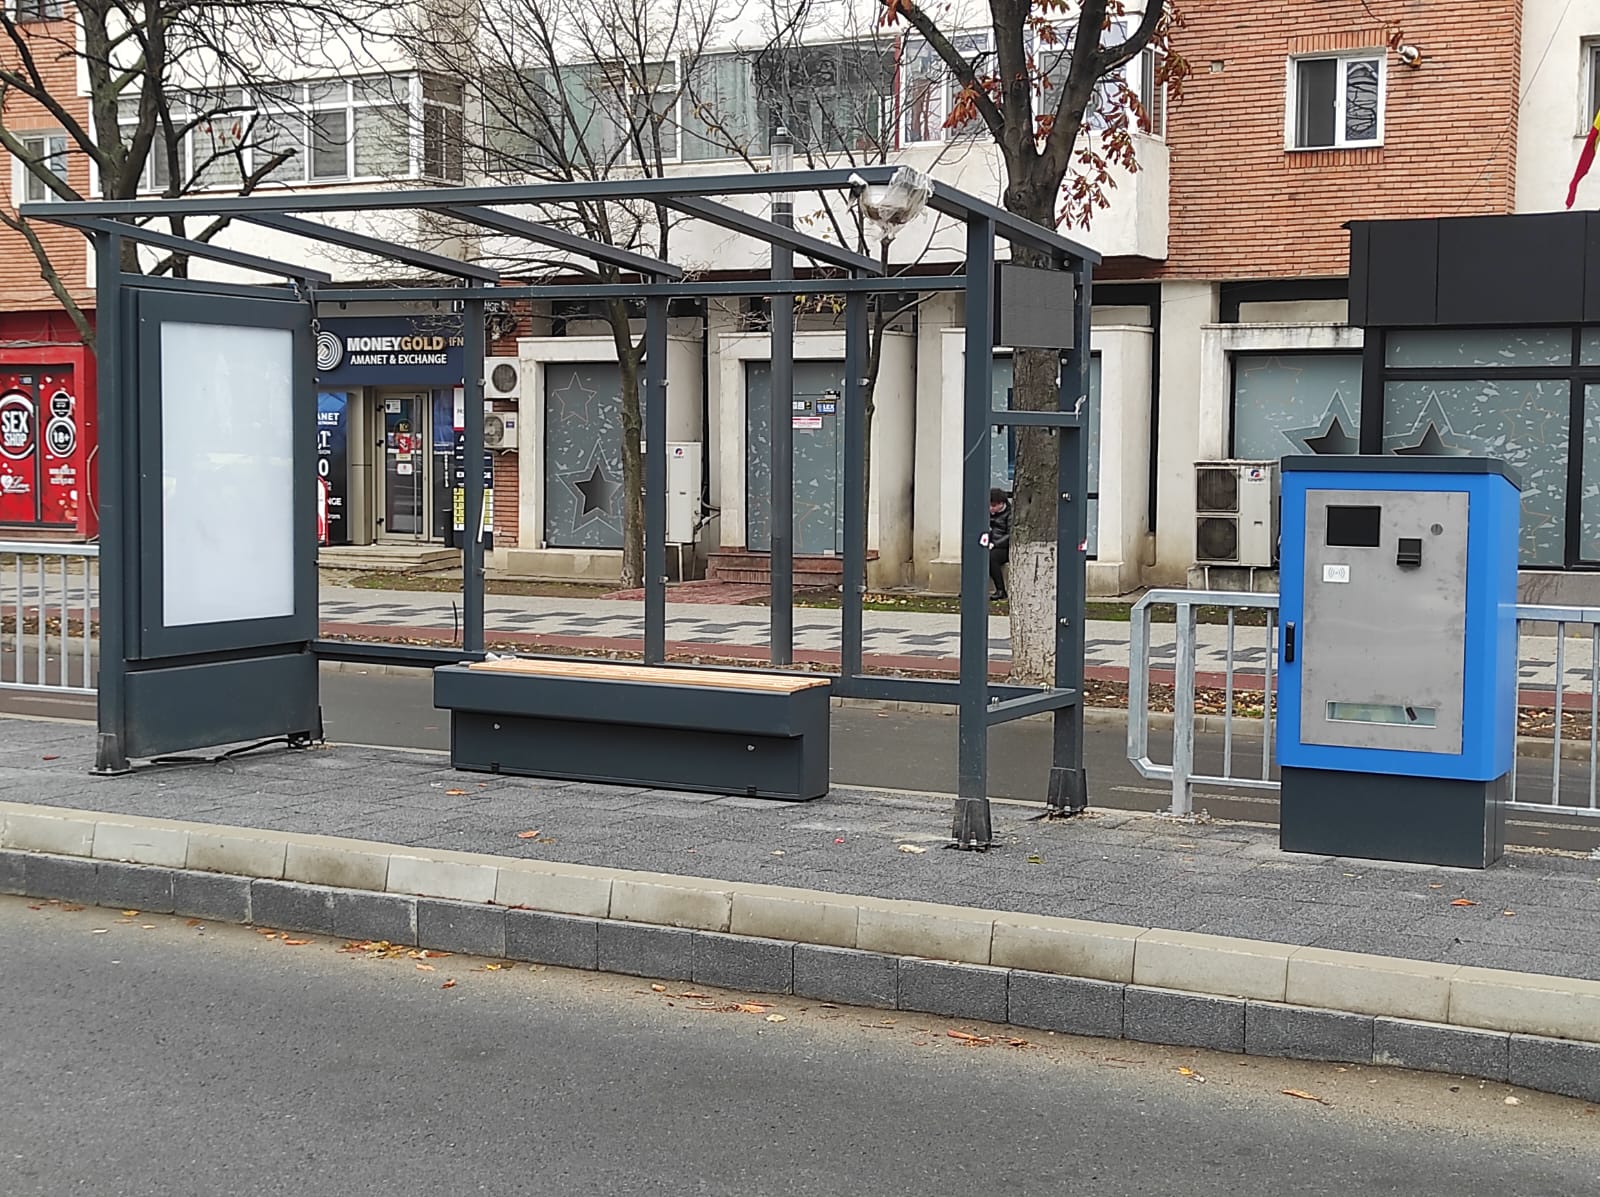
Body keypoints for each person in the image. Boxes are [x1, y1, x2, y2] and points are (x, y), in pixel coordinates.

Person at [988, 487, 1012, 602]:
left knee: (992, 558)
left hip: (1004, 547)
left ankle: (1001, 590)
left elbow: (1010, 534)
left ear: (1001, 504)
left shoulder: (1010, 514)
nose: (991, 509)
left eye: (993, 506)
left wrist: (995, 544)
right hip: (989, 543)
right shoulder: (987, 513)